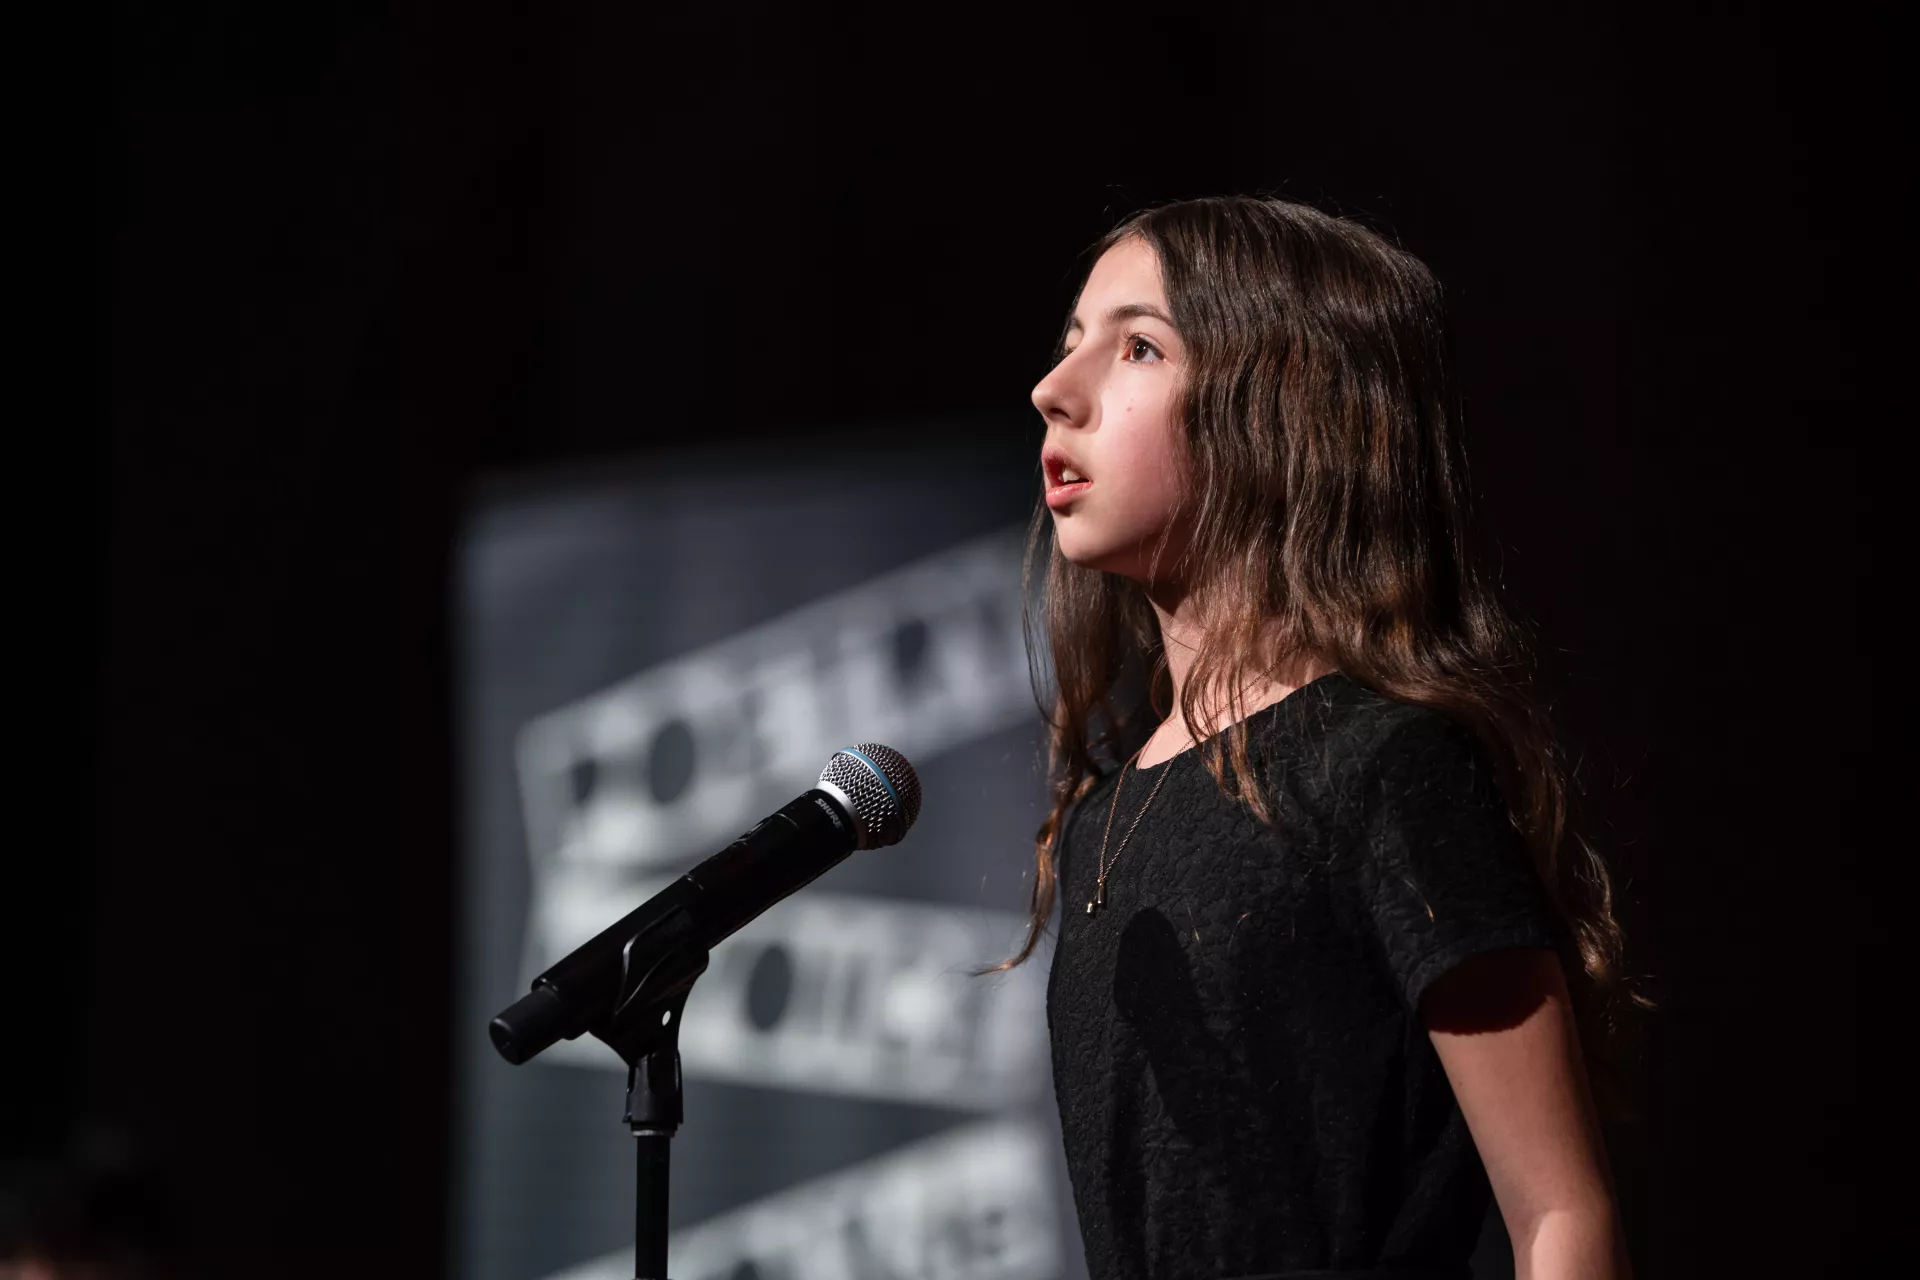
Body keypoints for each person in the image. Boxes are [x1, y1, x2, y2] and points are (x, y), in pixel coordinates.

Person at [1002, 196, 1638, 1279]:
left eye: (1139, 346)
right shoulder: (1109, 812)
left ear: (1284, 407)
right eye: (1069, 347)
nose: (1053, 392)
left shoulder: (1383, 767)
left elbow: (1560, 1216)